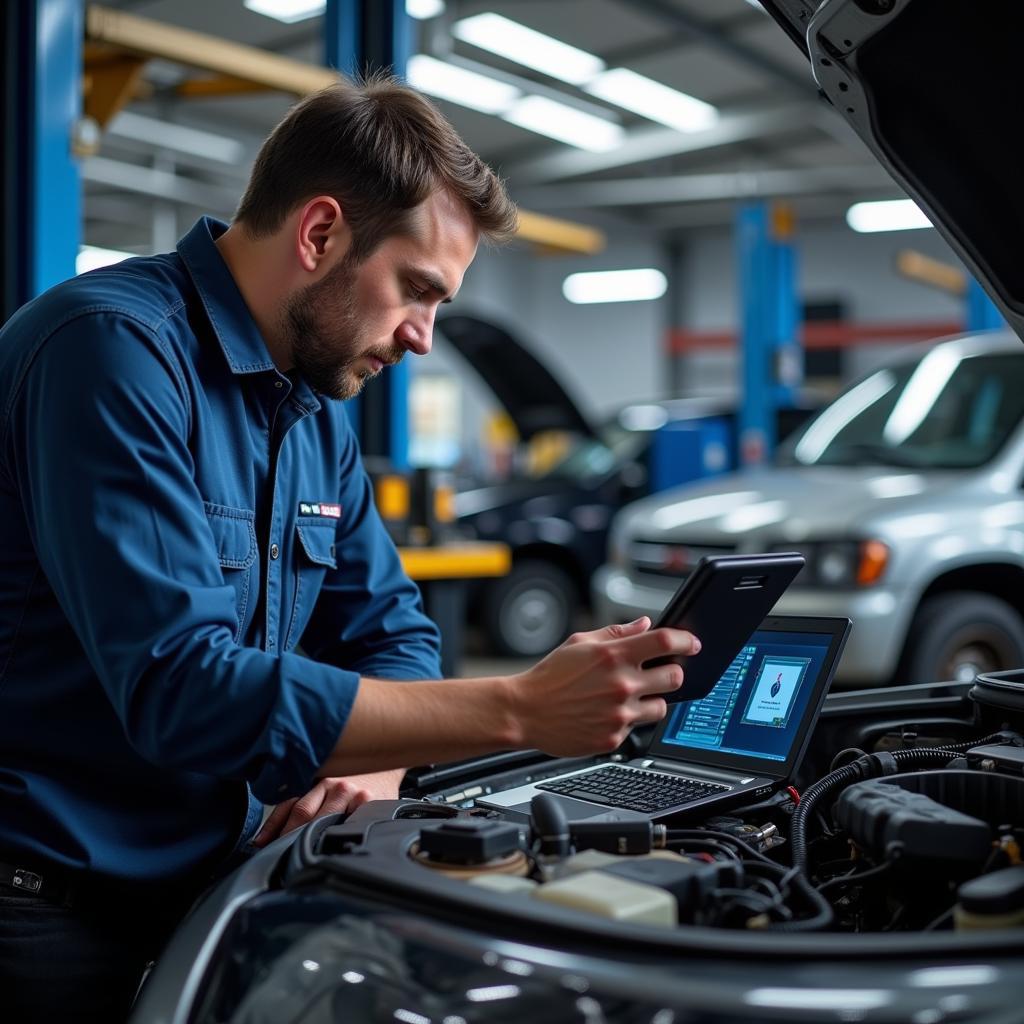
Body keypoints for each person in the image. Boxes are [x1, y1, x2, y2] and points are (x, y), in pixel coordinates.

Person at [0, 75, 699, 1022]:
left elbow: (392, 629)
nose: (421, 337)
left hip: (215, 884)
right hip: (49, 913)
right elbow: (180, 687)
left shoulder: (312, 410)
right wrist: (518, 708)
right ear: (320, 234)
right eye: (417, 290)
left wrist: (369, 767)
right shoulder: (111, 352)